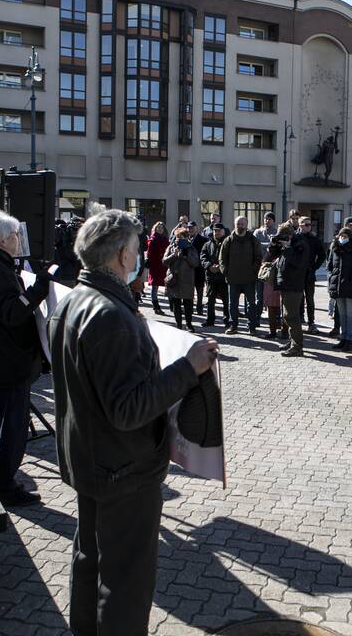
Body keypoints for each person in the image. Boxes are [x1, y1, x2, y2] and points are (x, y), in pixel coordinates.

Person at [47, 209, 218, 635]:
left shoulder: (74, 300)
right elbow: (128, 409)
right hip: (122, 471)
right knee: (124, 583)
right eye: (138, 248)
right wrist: (188, 368)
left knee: (90, 561)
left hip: (92, 460)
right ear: (122, 255)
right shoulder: (107, 314)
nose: (142, 255)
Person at [0, 211, 51, 506]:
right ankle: (5, 487)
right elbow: (13, 313)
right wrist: (39, 290)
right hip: (7, 363)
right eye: (15, 235)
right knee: (11, 430)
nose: (19, 241)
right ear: (3, 240)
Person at [269, 224, 311, 357]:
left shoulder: (300, 245)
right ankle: (292, 341)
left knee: (291, 316)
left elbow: (298, 263)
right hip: (285, 284)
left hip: (294, 285)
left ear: (290, 235)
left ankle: (297, 347)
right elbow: (273, 254)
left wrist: (287, 248)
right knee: (286, 316)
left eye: (283, 235)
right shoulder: (288, 244)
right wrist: (274, 244)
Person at [220, 216, 262, 335]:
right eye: (238, 224)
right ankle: (233, 326)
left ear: (246, 225)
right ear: (235, 224)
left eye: (242, 224)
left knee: (251, 304)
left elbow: (259, 257)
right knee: (232, 304)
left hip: (249, 278)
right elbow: (222, 258)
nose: (240, 226)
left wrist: (253, 270)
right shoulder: (228, 240)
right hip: (233, 278)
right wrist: (225, 271)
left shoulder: (253, 240)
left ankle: (252, 327)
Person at [326, 227, 352, 352]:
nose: (342, 239)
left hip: (351, 287)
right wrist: (331, 278)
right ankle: (343, 338)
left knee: (350, 314)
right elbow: (330, 266)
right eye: (341, 236)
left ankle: (349, 339)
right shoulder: (335, 249)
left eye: (345, 237)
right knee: (341, 314)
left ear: (350, 237)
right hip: (338, 287)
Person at [163, 224, 199, 331]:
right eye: (179, 237)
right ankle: (178, 324)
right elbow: (164, 261)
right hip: (174, 279)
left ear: (187, 238)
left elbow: (196, 263)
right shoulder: (171, 247)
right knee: (176, 305)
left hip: (187, 280)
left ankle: (189, 324)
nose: (181, 239)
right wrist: (173, 255)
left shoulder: (191, 248)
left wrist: (186, 256)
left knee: (188, 304)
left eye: (184, 237)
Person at [298, 216, 326, 334]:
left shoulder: (314, 239)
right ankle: (299, 320)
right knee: (298, 298)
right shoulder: (295, 237)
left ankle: (311, 322)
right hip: (297, 273)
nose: (309, 226)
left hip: (309, 273)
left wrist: (314, 267)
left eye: (310, 224)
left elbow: (322, 255)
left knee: (310, 299)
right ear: (300, 225)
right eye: (306, 224)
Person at [200, 222, 229, 327]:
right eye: (215, 230)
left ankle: (227, 321)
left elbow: (231, 258)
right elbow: (203, 257)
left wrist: (221, 268)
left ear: (223, 232)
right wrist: (209, 266)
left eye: (218, 230)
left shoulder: (228, 243)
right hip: (211, 276)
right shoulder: (208, 244)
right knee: (211, 300)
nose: (216, 232)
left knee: (226, 300)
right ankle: (210, 320)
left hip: (223, 276)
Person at [252, 212, 276, 324]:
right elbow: (255, 246)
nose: (267, 221)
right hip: (260, 268)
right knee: (259, 295)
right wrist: (269, 245)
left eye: (269, 219)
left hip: (273, 268)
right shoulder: (257, 232)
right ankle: (256, 318)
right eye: (265, 219)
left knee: (274, 295)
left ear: (273, 221)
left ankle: (276, 319)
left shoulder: (277, 232)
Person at [144, 222, 168, 315]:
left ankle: (173, 305)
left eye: (162, 227)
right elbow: (149, 254)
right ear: (155, 229)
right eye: (158, 227)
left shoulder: (166, 239)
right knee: (155, 287)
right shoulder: (152, 240)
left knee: (168, 285)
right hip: (155, 266)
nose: (160, 229)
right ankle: (156, 306)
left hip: (164, 266)